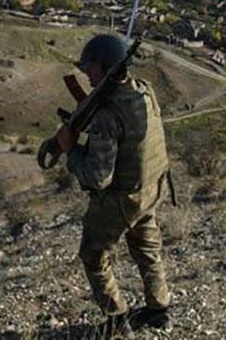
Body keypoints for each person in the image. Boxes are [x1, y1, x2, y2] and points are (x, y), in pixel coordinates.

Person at [54, 33, 173, 337]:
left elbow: (97, 177)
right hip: (152, 189)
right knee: (147, 249)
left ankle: (116, 317)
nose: (86, 73)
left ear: (106, 67)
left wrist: (71, 149)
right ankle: (159, 309)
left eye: (90, 68)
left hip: (123, 199)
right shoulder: (143, 90)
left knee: (93, 255)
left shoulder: (108, 115)